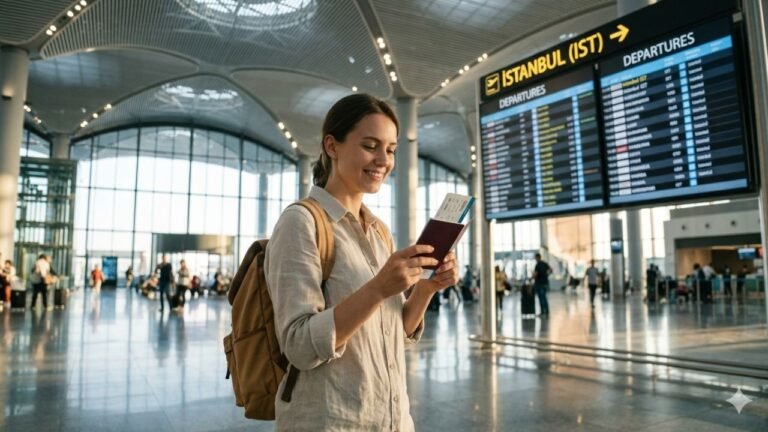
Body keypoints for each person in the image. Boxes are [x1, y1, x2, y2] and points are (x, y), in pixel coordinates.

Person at [264, 94, 459, 431]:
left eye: (391, 150)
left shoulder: (378, 232)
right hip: (333, 422)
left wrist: (426, 289)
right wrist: (377, 289)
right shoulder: (301, 223)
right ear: (332, 146)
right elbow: (299, 345)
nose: (383, 160)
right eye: (370, 146)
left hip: (391, 420)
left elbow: (392, 334)